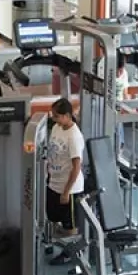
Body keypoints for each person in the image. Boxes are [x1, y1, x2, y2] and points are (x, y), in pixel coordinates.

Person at [42, 98, 85, 237]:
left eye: (57, 116)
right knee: (53, 218)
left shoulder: (74, 136)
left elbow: (76, 167)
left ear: (67, 116)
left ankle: (69, 255)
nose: (54, 119)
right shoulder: (56, 127)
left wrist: (66, 192)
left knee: (70, 228)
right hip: (54, 183)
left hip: (69, 189)